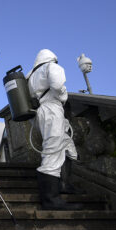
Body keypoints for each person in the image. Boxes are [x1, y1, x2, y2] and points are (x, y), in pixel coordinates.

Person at [26, 49, 83, 210]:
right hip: (52, 110)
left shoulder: (30, 76)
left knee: (67, 147)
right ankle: (51, 199)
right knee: (53, 151)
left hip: (40, 113)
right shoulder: (51, 66)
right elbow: (58, 85)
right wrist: (63, 96)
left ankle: (64, 184)